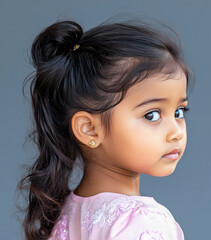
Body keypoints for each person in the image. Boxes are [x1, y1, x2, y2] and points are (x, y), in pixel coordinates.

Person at [17, 16, 194, 240]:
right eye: (152, 115)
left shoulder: (66, 214)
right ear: (90, 129)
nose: (176, 132)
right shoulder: (144, 222)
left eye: (179, 112)